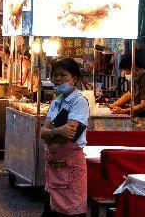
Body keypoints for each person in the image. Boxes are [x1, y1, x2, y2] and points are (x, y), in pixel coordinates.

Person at [40, 57, 90, 217]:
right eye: (55, 75)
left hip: (70, 166)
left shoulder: (79, 101)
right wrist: (56, 132)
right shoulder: (56, 101)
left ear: (73, 78)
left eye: (63, 75)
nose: (58, 79)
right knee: (52, 209)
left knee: (72, 210)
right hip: (54, 166)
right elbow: (42, 133)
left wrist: (51, 133)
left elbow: (69, 133)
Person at [110, 55, 145, 131]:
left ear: (135, 69)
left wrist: (123, 111)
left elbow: (144, 106)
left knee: (120, 129)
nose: (126, 75)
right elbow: (129, 94)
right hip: (140, 118)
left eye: (127, 73)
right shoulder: (137, 78)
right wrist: (113, 105)